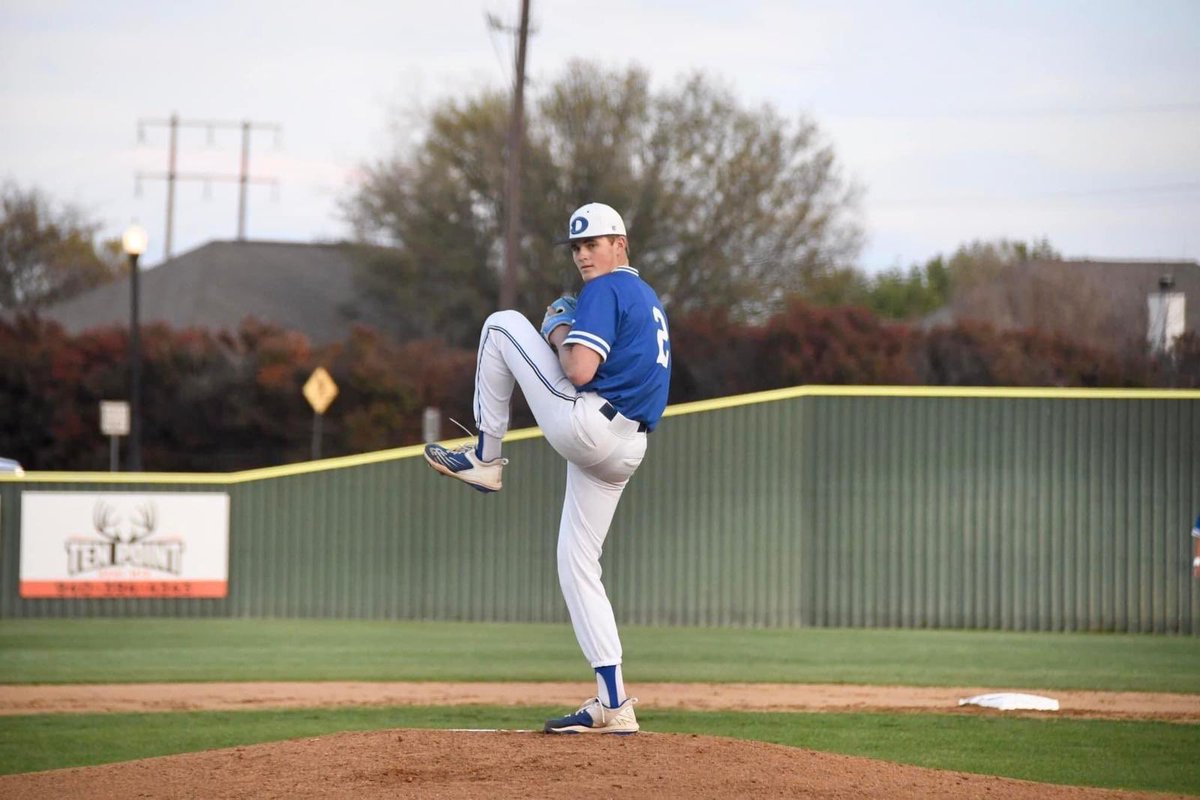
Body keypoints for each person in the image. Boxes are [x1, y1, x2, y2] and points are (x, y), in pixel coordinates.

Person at [424, 202, 671, 735]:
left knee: (501, 325)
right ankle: (613, 702)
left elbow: (579, 369)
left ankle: (486, 457)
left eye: (594, 244)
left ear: (620, 245)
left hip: (591, 426)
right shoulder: (649, 299)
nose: (583, 255)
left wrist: (560, 329)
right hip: (628, 446)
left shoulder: (606, 290)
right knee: (577, 564)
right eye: (577, 248)